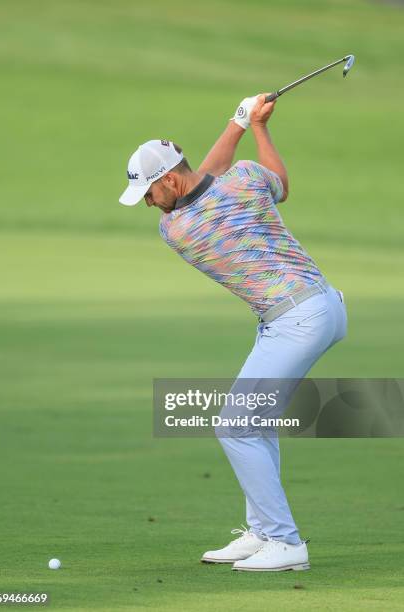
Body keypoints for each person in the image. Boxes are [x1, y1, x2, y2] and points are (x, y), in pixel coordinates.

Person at [119, 94, 347, 572]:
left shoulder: (176, 227)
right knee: (253, 423)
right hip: (312, 308)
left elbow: (202, 179)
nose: (147, 203)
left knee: (235, 425)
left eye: (148, 192)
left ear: (166, 180)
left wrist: (240, 122)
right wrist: (251, 126)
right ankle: (263, 530)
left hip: (296, 319)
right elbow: (274, 183)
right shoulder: (244, 179)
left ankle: (286, 543)